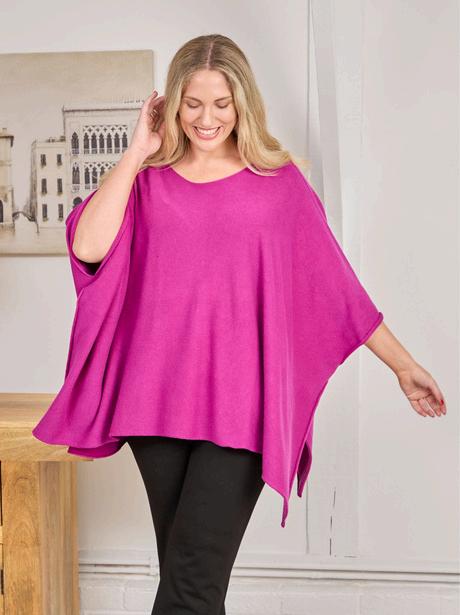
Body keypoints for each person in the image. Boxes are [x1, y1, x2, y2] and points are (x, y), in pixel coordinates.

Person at [32, 34, 446, 615]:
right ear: (172, 103)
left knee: (190, 585)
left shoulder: (279, 185)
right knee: (189, 581)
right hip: (154, 402)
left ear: (243, 103)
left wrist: (403, 366)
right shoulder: (145, 182)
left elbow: (337, 288)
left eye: (222, 103)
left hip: (241, 406)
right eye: (193, 103)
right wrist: (136, 151)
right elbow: (88, 246)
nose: (207, 118)